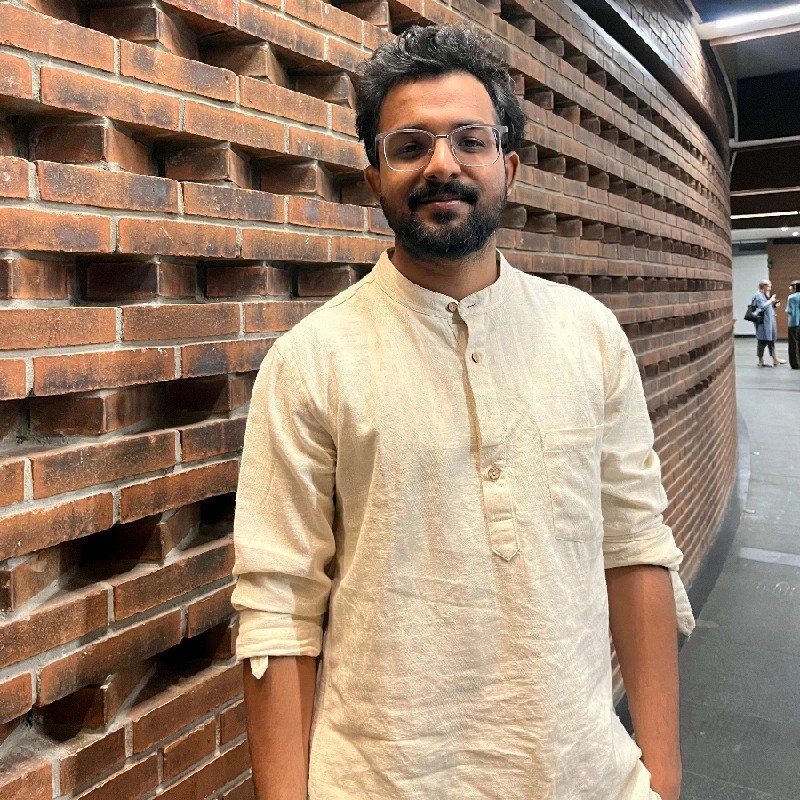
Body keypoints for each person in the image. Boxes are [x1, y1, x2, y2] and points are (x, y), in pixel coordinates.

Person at [232, 25, 694, 800]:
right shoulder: (310, 361)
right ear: (375, 178)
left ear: (507, 167)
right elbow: (277, 607)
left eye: (470, 140)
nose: (441, 164)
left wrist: (664, 775)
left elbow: (635, 546)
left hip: (586, 775)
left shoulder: (588, 335)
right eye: (410, 146)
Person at [751, 279, 785, 367]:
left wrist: (774, 304)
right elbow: (762, 307)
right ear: (764, 286)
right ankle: (761, 360)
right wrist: (771, 300)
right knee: (762, 340)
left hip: (768, 321)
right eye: (769, 286)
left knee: (771, 339)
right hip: (763, 322)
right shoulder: (758, 295)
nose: (770, 287)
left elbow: (767, 306)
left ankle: (774, 358)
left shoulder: (764, 295)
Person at [786, 279, 800, 369]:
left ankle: (795, 364)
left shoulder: (791, 297)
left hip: (794, 322)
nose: (790, 288)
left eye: (791, 286)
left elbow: (789, 310)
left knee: (793, 344)